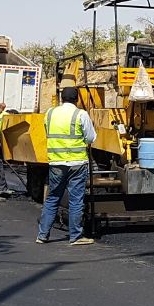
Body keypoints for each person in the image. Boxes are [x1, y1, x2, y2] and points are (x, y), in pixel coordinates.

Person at [36, 87, 98, 246]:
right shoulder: (81, 114)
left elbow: (47, 132)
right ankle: (75, 236)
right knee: (76, 200)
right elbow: (91, 138)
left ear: (61, 98)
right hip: (77, 164)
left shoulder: (49, 113)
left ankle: (42, 235)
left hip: (56, 163)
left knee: (52, 198)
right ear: (77, 99)